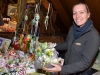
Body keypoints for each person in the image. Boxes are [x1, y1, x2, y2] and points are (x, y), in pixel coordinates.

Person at [43, 2, 100, 75]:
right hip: (67, 66)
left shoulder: (93, 36)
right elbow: (68, 44)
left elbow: (85, 63)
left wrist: (62, 69)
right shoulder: (72, 28)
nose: (77, 16)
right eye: (74, 13)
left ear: (88, 14)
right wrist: (53, 46)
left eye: (81, 12)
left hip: (80, 73)